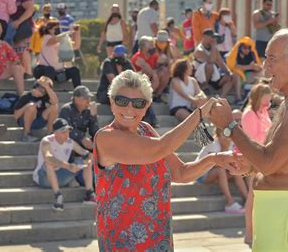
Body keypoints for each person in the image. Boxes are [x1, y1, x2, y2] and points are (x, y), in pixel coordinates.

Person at [210, 29, 288, 251]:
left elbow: (269, 162)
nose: (265, 65)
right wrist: (249, 166)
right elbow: (278, 161)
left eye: (272, 58)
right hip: (283, 209)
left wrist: (229, 125)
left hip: (287, 209)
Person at [93, 70, 240, 251]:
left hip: (158, 241)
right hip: (122, 244)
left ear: (147, 106)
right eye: (122, 101)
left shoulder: (145, 129)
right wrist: (199, 114)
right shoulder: (106, 138)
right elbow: (161, 148)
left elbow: (181, 173)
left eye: (138, 103)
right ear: (111, 102)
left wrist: (214, 159)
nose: (129, 109)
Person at [34, 118, 95, 211]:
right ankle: (58, 198)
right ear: (55, 132)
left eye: (67, 131)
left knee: (86, 162)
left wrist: (90, 159)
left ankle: (89, 194)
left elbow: (87, 153)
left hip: (61, 177)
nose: (66, 134)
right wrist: (68, 166)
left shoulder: (70, 142)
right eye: (63, 132)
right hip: (43, 178)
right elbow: (48, 157)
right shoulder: (46, 141)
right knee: (49, 163)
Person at [239, 83, 273, 246]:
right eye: (266, 101)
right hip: (254, 159)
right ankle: (249, 234)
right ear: (258, 98)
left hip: (265, 158)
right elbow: (252, 139)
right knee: (252, 197)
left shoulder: (263, 112)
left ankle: (259, 232)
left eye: (269, 101)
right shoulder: (248, 114)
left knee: (262, 198)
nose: (268, 104)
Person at [196, 127, 248, 213]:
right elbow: (215, 164)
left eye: (228, 135)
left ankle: (247, 199)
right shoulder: (212, 144)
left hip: (216, 173)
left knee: (237, 172)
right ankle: (230, 202)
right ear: (218, 135)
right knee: (220, 170)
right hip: (201, 174)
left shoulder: (231, 144)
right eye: (224, 135)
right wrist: (225, 148)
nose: (227, 138)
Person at [193, 29, 241, 103]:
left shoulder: (213, 49)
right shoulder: (199, 50)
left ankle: (226, 98)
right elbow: (210, 60)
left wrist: (229, 72)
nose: (213, 39)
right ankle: (205, 87)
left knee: (233, 76)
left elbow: (221, 63)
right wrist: (213, 46)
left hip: (213, 76)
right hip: (201, 78)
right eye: (212, 37)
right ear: (205, 37)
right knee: (210, 66)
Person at [33, 19, 81, 88]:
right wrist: (69, 31)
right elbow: (55, 39)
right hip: (42, 70)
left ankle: (78, 92)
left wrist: (77, 32)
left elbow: (76, 46)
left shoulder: (62, 41)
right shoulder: (47, 38)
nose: (58, 30)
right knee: (50, 70)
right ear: (49, 30)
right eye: (56, 28)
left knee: (74, 70)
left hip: (57, 73)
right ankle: (44, 92)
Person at [13, 76, 58, 142]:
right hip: (25, 121)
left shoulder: (44, 96)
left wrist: (47, 87)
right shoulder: (26, 96)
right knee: (32, 106)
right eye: (41, 88)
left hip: (39, 120)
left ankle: (50, 134)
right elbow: (16, 116)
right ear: (36, 86)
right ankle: (26, 135)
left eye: (45, 90)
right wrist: (27, 106)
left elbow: (55, 102)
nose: (42, 91)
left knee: (54, 107)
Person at [59, 86, 99, 151]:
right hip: (69, 141)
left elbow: (94, 132)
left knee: (99, 142)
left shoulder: (88, 111)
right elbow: (65, 129)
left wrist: (93, 116)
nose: (89, 100)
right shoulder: (66, 109)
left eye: (89, 98)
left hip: (82, 142)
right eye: (86, 98)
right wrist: (82, 138)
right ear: (76, 98)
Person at [131, 36, 169, 101]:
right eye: (151, 45)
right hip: (138, 80)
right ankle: (146, 97)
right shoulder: (137, 58)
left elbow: (164, 60)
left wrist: (167, 51)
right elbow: (146, 68)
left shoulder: (153, 55)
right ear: (143, 47)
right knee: (146, 74)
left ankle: (157, 95)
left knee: (165, 72)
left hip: (151, 76)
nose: (153, 47)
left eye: (153, 45)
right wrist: (154, 75)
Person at [10, 0, 35, 78]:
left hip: (24, 26)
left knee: (23, 49)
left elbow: (30, 9)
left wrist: (19, 21)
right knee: (20, 49)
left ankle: (28, 72)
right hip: (20, 27)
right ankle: (23, 71)